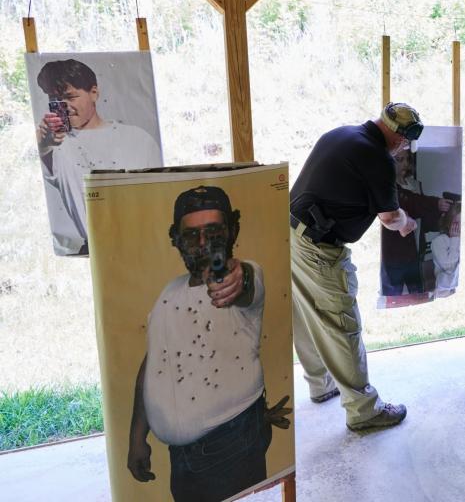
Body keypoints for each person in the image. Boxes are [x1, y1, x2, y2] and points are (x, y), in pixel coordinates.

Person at [127, 186, 290, 502]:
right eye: (191, 236)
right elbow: (154, 364)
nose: (203, 244)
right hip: (183, 460)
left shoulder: (247, 274)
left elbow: (244, 285)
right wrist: (137, 438)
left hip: (230, 447)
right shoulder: (168, 293)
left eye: (214, 232)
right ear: (176, 239)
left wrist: (236, 278)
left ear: (232, 232)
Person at [289, 102, 425, 430]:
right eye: (405, 142)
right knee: (340, 321)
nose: (405, 148)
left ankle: (322, 384)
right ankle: (365, 410)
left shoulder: (343, 134)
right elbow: (391, 217)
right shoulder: (377, 158)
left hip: (292, 234)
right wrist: (407, 223)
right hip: (319, 247)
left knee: (308, 314)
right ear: (397, 137)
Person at [34, 59, 162, 255]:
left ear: (93, 93)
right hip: (94, 251)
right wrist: (44, 145)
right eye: (56, 99)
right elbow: (46, 158)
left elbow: (158, 199)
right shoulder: (57, 147)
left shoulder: (138, 138)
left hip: (143, 245)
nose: (64, 106)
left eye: (70, 97)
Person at [380, 146, 451, 297]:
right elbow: (410, 201)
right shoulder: (387, 185)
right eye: (400, 160)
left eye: (407, 159)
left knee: (418, 292)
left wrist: (442, 219)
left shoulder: (414, 184)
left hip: (414, 248)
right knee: (393, 293)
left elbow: (421, 212)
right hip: (393, 251)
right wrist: (434, 203)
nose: (405, 164)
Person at [431, 202, 461, 297]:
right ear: (449, 222)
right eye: (458, 222)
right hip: (445, 291)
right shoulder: (438, 241)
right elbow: (449, 266)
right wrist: (455, 240)